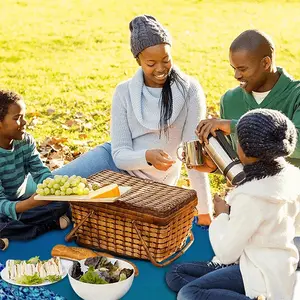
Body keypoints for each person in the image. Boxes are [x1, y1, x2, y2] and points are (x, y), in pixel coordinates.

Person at [52, 15, 213, 225]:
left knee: (92, 214)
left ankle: (60, 217)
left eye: (166, 59)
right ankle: (15, 210)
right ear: (138, 60)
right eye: (151, 63)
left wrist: (204, 211)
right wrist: (146, 156)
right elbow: (119, 155)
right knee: (50, 187)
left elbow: (193, 156)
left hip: (150, 185)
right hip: (113, 163)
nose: (161, 68)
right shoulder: (124, 92)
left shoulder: (190, 90)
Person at [166, 108, 300, 300]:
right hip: (278, 264)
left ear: (244, 149)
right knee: (176, 275)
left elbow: (226, 253)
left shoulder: (251, 196)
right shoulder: (292, 176)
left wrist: (222, 215)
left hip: (258, 271)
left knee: (188, 293)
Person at [195, 29, 300, 264]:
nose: (236, 75)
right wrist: (216, 166)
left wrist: (234, 126)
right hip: (248, 202)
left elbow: (298, 142)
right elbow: (243, 160)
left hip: (289, 208)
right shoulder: (230, 100)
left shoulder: (296, 94)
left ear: (266, 63)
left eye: (242, 69)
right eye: (233, 68)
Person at [0, 90, 70, 244]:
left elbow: (40, 171)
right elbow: (1, 203)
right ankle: (47, 225)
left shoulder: (25, 141)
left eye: (24, 116)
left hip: (22, 202)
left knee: (64, 203)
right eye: (17, 118)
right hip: (5, 208)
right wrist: (31, 204)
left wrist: (53, 189)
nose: (24, 122)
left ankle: (14, 231)